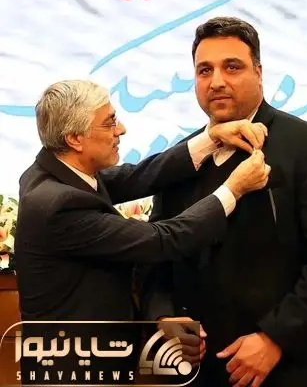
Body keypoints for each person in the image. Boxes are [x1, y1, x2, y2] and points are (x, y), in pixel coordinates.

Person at [141, 17, 307, 387]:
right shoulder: (183, 158)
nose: (217, 81)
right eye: (204, 70)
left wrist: (274, 337)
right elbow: (156, 257)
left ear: (259, 73)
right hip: (190, 370)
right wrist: (164, 321)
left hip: (285, 368)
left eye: (232, 67)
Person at [15, 79, 270, 323]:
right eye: (109, 123)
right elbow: (163, 240)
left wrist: (212, 138)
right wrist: (233, 189)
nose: (121, 129)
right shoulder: (59, 205)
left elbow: (137, 176)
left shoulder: (55, 171)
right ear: (74, 139)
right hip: (78, 351)